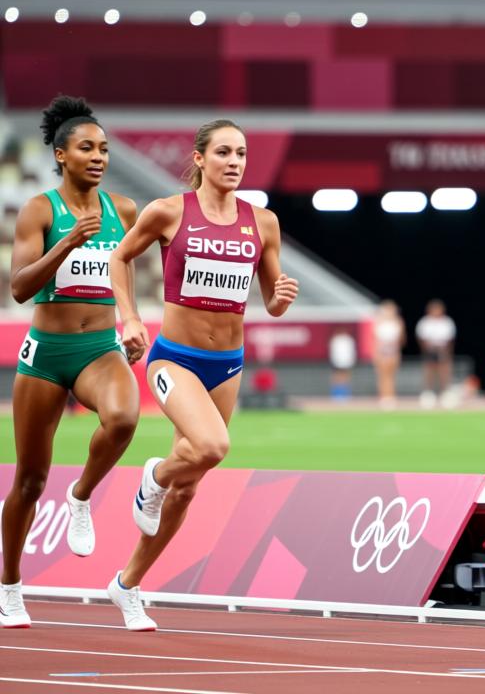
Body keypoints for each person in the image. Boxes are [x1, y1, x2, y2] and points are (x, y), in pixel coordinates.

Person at [106, 119, 298, 631]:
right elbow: (118, 258)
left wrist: (278, 301)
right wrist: (129, 318)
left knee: (189, 489)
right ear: (198, 159)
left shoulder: (263, 223)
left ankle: (127, 585)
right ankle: (153, 476)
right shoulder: (168, 212)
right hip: (175, 358)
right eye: (223, 153)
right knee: (212, 447)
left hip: (228, 364)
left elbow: (270, 301)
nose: (234, 162)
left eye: (241, 154)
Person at [1, 97, 141, 629]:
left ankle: (81, 493)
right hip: (46, 353)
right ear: (61, 155)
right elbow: (18, 289)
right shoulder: (41, 210)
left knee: (125, 418)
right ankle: (10, 586)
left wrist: (131, 321)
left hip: (99, 348)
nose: (99, 156)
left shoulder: (124, 211)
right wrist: (65, 246)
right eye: (87, 148)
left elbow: (125, 276)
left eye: (104, 148)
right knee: (30, 481)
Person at [416, 299, 455, 408]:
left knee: (444, 372)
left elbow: (450, 339)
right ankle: (428, 394)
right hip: (430, 350)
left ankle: (445, 393)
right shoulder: (425, 322)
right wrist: (429, 349)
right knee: (429, 372)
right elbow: (422, 338)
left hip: (443, 350)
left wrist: (445, 351)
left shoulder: (447, 322)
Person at [372, 300, 405, 407]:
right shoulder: (378, 321)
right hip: (381, 351)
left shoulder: (398, 322)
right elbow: (374, 339)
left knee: (391, 375)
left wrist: (396, 349)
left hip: (393, 351)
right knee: (382, 375)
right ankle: (383, 396)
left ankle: (390, 396)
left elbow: (401, 339)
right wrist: (376, 352)